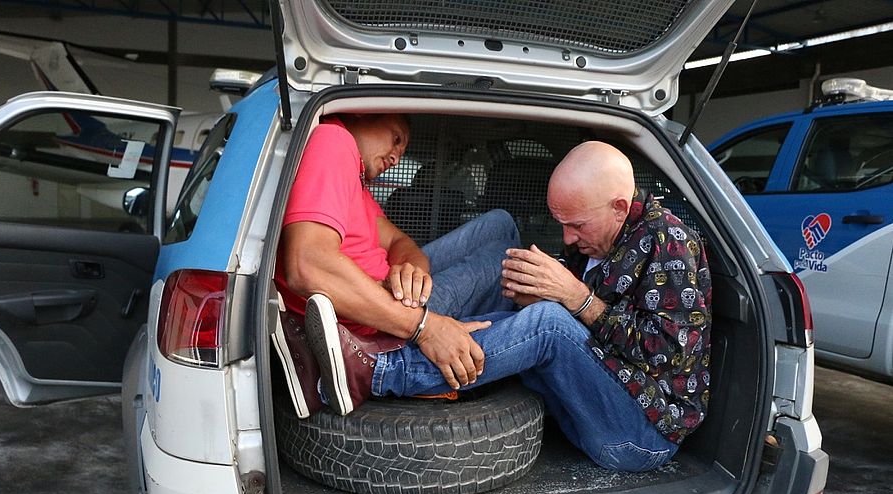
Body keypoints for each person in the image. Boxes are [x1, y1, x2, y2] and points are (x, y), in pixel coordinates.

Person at [281, 127, 712, 471]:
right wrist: (528, 295)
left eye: (576, 225)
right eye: (559, 224)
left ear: (619, 207)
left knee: (548, 322)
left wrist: (575, 299)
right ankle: (404, 343)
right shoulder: (595, 238)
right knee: (531, 298)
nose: (567, 239)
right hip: (592, 393)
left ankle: (377, 370)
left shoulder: (670, 243)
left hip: (640, 430)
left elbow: (666, 355)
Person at [275, 113, 519, 416]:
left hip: (396, 295)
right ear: (363, 113)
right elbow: (307, 264)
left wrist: (409, 267)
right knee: (506, 259)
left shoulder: (357, 179)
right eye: (396, 139)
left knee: (499, 224)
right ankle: (456, 360)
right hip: (381, 319)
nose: (396, 156)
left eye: (402, 152)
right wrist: (426, 328)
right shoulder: (334, 141)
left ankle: (462, 347)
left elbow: (397, 241)